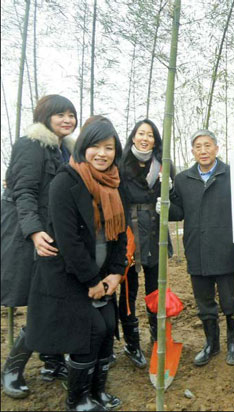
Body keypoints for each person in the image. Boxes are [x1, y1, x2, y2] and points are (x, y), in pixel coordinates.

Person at [25, 116, 126, 411]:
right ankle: (77, 398)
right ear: (83, 148)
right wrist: (92, 281)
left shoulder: (116, 183)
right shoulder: (64, 182)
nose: (102, 154)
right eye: (95, 146)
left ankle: (98, 391)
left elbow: (120, 235)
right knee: (90, 330)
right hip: (69, 275)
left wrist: (117, 273)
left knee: (107, 326)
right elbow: (68, 241)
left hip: (104, 272)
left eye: (108, 147)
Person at [1, 95, 77, 398]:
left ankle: (52, 362)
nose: (67, 120)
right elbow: (24, 192)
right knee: (42, 301)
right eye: (60, 114)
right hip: (28, 236)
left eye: (71, 115)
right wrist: (33, 232)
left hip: (54, 232)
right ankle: (12, 368)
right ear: (45, 117)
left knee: (56, 296)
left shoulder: (65, 150)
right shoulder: (30, 145)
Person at [164, 129, 234, 366]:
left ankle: (232, 345)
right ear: (193, 151)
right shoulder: (183, 179)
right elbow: (178, 213)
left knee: (231, 301)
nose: (203, 150)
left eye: (208, 145)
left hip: (226, 248)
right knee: (204, 302)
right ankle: (211, 344)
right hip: (197, 249)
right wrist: (164, 202)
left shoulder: (231, 174)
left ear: (217, 148)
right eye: (198, 146)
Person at [118, 119, 174, 368]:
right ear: (133, 137)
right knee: (129, 286)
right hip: (129, 228)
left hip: (154, 227)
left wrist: (168, 190)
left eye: (150, 135)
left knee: (155, 285)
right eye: (141, 133)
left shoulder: (162, 165)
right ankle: (132, 343)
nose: (145, 138)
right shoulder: (121, 164)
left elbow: (172, 197)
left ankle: (157, 337)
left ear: (155, 139)